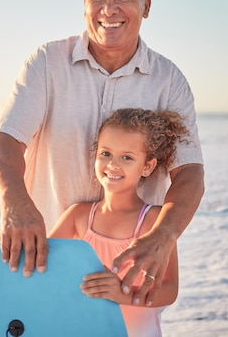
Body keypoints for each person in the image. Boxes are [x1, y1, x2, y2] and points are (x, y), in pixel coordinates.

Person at [0, 0, 204, 307]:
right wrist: (15, 202)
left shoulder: (169, 80)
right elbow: (4, 139)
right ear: (85, 5)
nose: (109, 9)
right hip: (46, 263)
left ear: (145, 6)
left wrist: (163, 236)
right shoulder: (46, 62)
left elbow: (190, 171)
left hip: (130, 273)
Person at [49, 108, 186, 337]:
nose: (112, 164)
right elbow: (42, 260)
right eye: (105, 153)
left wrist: (122, 294)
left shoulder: (154, 221)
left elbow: (170, 289)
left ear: (147, 167)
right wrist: (15, 240)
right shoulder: (79, 215)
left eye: (127, 157)